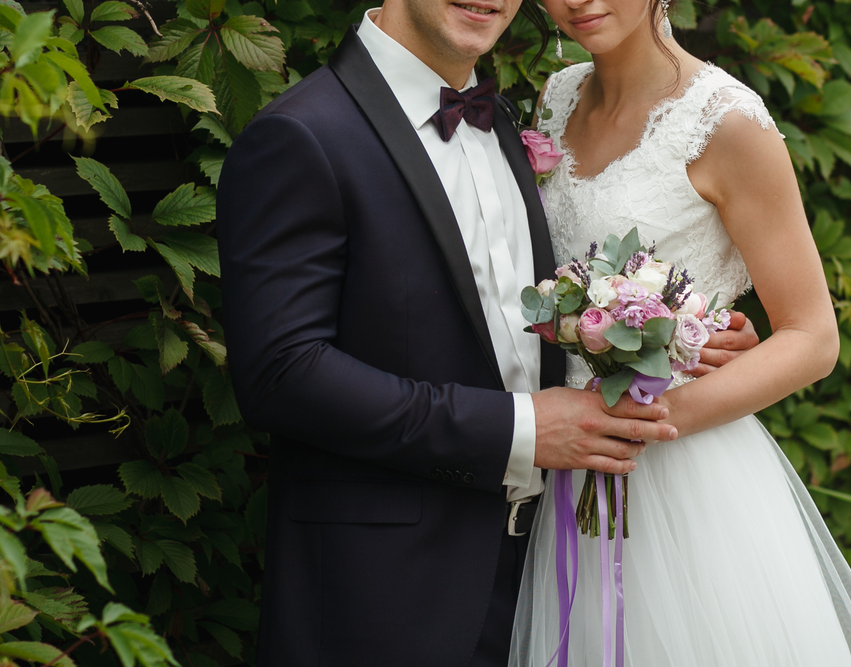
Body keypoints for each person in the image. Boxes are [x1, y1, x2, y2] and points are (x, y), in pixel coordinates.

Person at [216, 1, 755, 665]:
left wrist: (682, 331)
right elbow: (282, 376)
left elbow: (532, 306)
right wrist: (520, 430)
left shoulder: (507, 120)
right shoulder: (302, 133)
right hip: (385, 592)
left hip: (549, 572)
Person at [509, 1, 851, 666]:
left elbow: (813, 337)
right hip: (567, 464)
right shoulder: (555, 95)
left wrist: (640, 420)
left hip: (683, 478)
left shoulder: (728, 123)